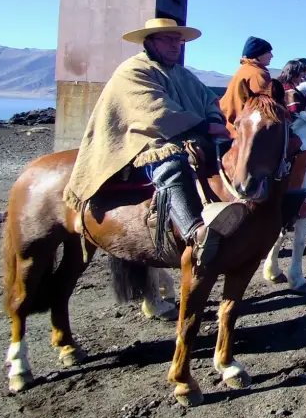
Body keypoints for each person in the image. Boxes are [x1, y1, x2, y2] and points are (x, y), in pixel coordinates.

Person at [62, 18, 247, 268]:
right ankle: (195, 232)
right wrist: (205, 126)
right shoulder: (134, 70)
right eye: (167, 40)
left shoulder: (182, 73)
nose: (175, 46)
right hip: (142, 140)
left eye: (178, 40)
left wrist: (214, 120)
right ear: (149, 42)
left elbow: (209, 100)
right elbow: (155, 112)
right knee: (170, 163)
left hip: (188, 135)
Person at [220, 36, 274, 138]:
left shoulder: (243, 70)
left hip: (228, 127)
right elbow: (267, 108)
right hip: (242, 133)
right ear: (259, 55)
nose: (272, 56)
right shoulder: (257, 74)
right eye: (268, 52)